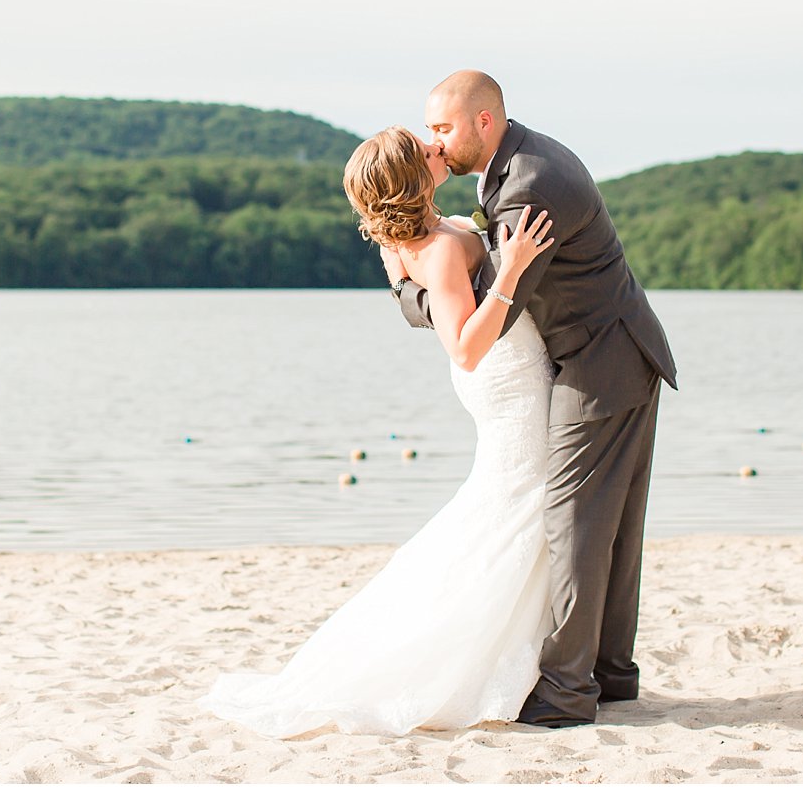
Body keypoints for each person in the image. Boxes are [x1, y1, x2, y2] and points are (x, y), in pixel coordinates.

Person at [200, 125, 558, 737]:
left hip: (508, 377)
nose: (435, 147)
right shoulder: (439, 248)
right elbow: (464, 347)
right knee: (523, 508)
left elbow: (408, 285)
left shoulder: (405, 243)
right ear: (410, 181)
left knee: (517, 508)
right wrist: (512, 269)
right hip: (505, 380)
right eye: (423, 150)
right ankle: (491, 658)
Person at [388, 70, 678, 728]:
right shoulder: (512, 168)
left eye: (443, 128)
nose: (436, 141)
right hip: (607, 352)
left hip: (601, 361)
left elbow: (491, 303)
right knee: (609, 523)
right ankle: (610, 676)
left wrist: (409, 293)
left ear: (483, 122)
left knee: (575, 522)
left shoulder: (527, 187)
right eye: (430, 130)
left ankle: (569, 692)